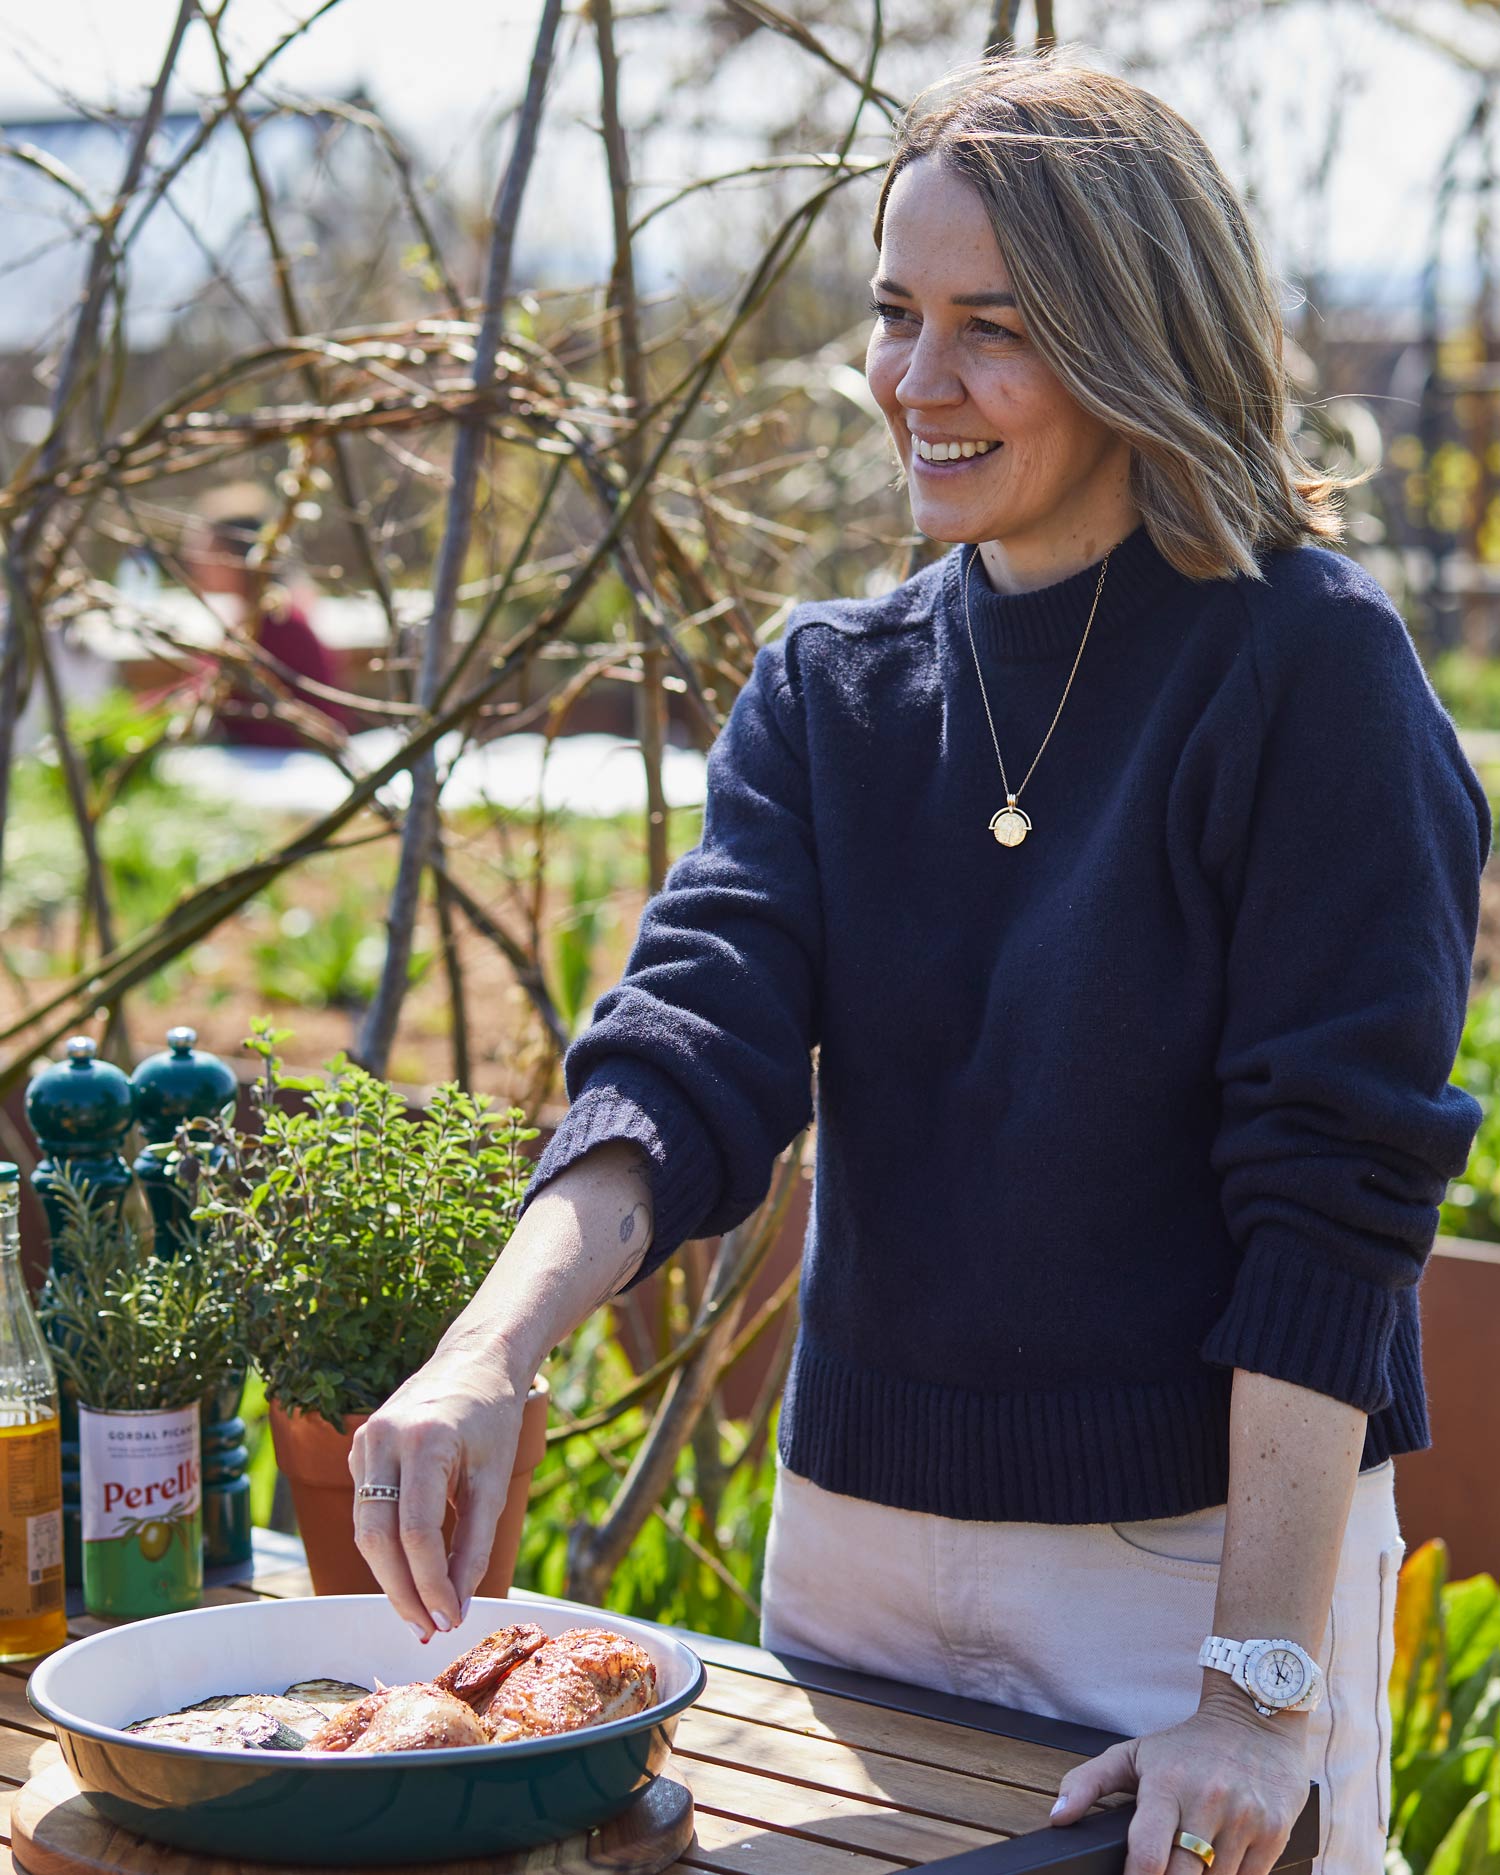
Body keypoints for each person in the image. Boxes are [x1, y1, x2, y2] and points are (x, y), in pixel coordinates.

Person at [349, 51, 1491, 1875]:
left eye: (992, 326)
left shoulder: (1309, 672)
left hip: (1195, 1571)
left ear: (1134, 338)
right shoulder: (832, 687)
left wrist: (1260, 1695)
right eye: (894, 313)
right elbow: (692, 1038)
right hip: (855, 1540)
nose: (913, 379)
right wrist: (490, 1350)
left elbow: (1332, 1194)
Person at [182, 483, 355, 749]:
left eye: (206, 549)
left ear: (235, 555)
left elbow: (276, 718)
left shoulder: (277, 622)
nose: (193, 560)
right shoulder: (247, 618)